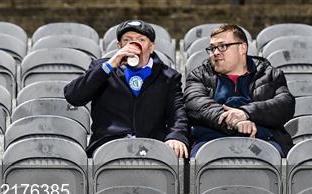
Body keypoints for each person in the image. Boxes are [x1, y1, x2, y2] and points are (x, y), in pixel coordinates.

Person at [64, 20, 189, 158]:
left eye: (141, 39)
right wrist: (110, 64)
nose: (134, 44)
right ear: (119, 46)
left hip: (152, 146)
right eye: (127, 40)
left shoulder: (168, 76)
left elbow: (178, 113)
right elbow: (73, 96)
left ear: (151, 46)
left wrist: (176, 136)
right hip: (108, 146)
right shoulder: (103, 69)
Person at [184, 24, 295, 157]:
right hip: (210, 142)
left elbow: (285, 104)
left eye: (222, 46)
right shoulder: (199, 75)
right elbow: (195, 104)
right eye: (212, 48)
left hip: (262, 142)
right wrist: (234, 122)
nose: (215, 52)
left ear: (242, 48)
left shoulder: (269, 74)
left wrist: (246, 113)